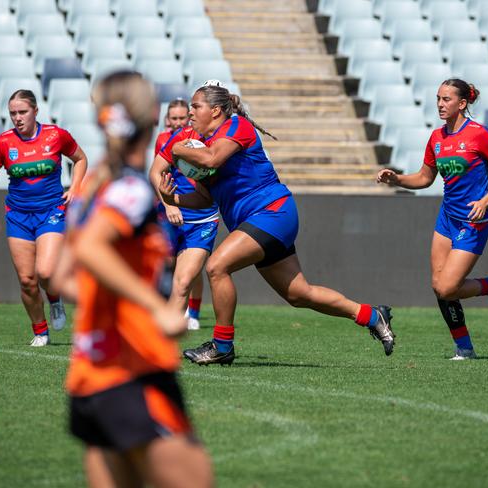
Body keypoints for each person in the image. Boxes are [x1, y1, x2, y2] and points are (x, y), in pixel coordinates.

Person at [51, 70, 213, 487]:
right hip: (133, 372)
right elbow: (90, 250)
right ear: (154, 116)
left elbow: (60, 276)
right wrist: (155, 306)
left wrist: (116, 303)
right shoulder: (132, 190)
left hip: (90, 372)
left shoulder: (93, 188)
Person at [156, 83, 396, 365]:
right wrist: (174, 198)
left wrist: (176, 149)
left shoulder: (236, 127)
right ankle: (372, 315)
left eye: (196, 107)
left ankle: (222, 345)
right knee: (299, 294)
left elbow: (212, 158)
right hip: (260, 219)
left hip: (272, 212)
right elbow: (204, 199)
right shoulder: (204, 146)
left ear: (216, 110)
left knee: (217, 266)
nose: (191, 114)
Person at [377, 79, 488, 360]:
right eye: (438, 98)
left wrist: (486, 200)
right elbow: (425, 178)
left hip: (473, 220)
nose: (440, 104)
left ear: (462, 103)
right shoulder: (437, 138)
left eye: (446, 99)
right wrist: (398, 178)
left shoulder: (479, 134)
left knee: (447, 286)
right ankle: (464, 348)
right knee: (439, 286)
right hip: (447, 218)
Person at [0, 90, 87, 346]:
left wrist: (76, 186)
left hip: (51, 211)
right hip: (18, 215)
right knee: (27, 280)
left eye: (22, 112)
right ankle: (40, 330)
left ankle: (55, 299)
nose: (17, 118)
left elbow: (80, 159)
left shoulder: (56, 135)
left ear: (36, 111)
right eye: (13, 113)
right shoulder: (3, 142)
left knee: (46, 271)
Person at [151, 98, 218, 330]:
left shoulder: (222, 139)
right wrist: (169, 205)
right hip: (172, 213)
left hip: (204, 218)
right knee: (166, 268)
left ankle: (194, 313)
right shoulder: (171, 139)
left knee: (186, 278)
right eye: (176, 117)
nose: (183, 120)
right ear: (167, 120)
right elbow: (155, 173)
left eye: (188, 114)